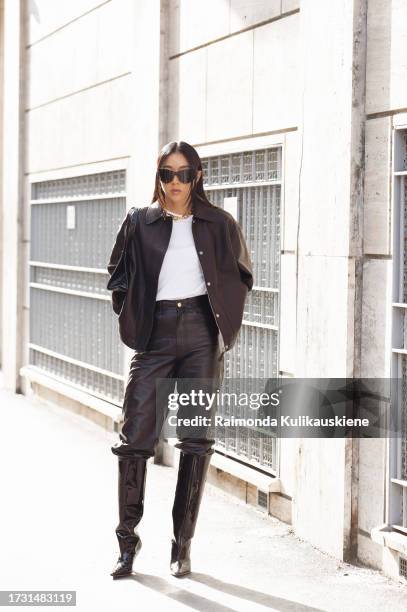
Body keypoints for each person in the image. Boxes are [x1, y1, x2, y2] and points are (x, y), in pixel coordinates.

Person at [106, 141, 253, 579]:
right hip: (154, 336)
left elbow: (241, 274)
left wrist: (222, 322)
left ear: (198, 176)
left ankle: (181, 545)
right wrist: (133, 315)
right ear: (158, 177)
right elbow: (117, 275)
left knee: (195, 440)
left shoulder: (219, 224)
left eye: (183, 174)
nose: (175, 183)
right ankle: (127, 544)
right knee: (134, 439)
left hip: (200, 337)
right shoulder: (139, 222)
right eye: (167, 174)